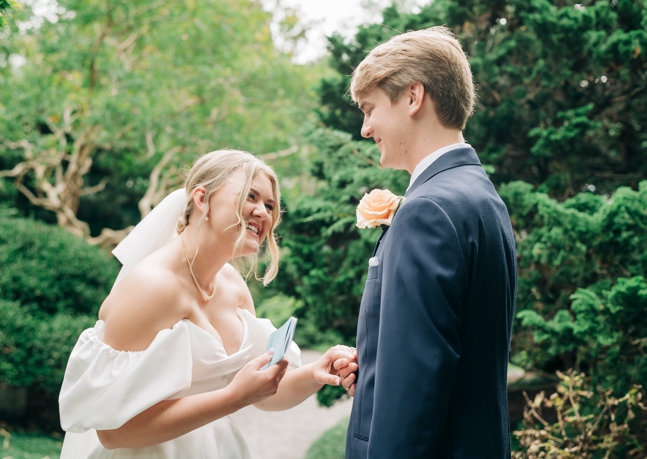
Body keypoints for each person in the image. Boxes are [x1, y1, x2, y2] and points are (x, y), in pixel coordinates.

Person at [58, 149, 358, 459]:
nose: (263, 212)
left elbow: (264, 394)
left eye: (269, 205)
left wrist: (315, 372)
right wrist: (232, 397)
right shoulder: (150, 287)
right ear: (202, 199)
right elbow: (113, 432)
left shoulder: (232, 285)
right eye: (250, 196)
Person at [342, 26, 517, 458]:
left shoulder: (427, 211)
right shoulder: (482, 198)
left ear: (413, 98)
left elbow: (414, 391)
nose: (366, 128)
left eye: (370, 109)